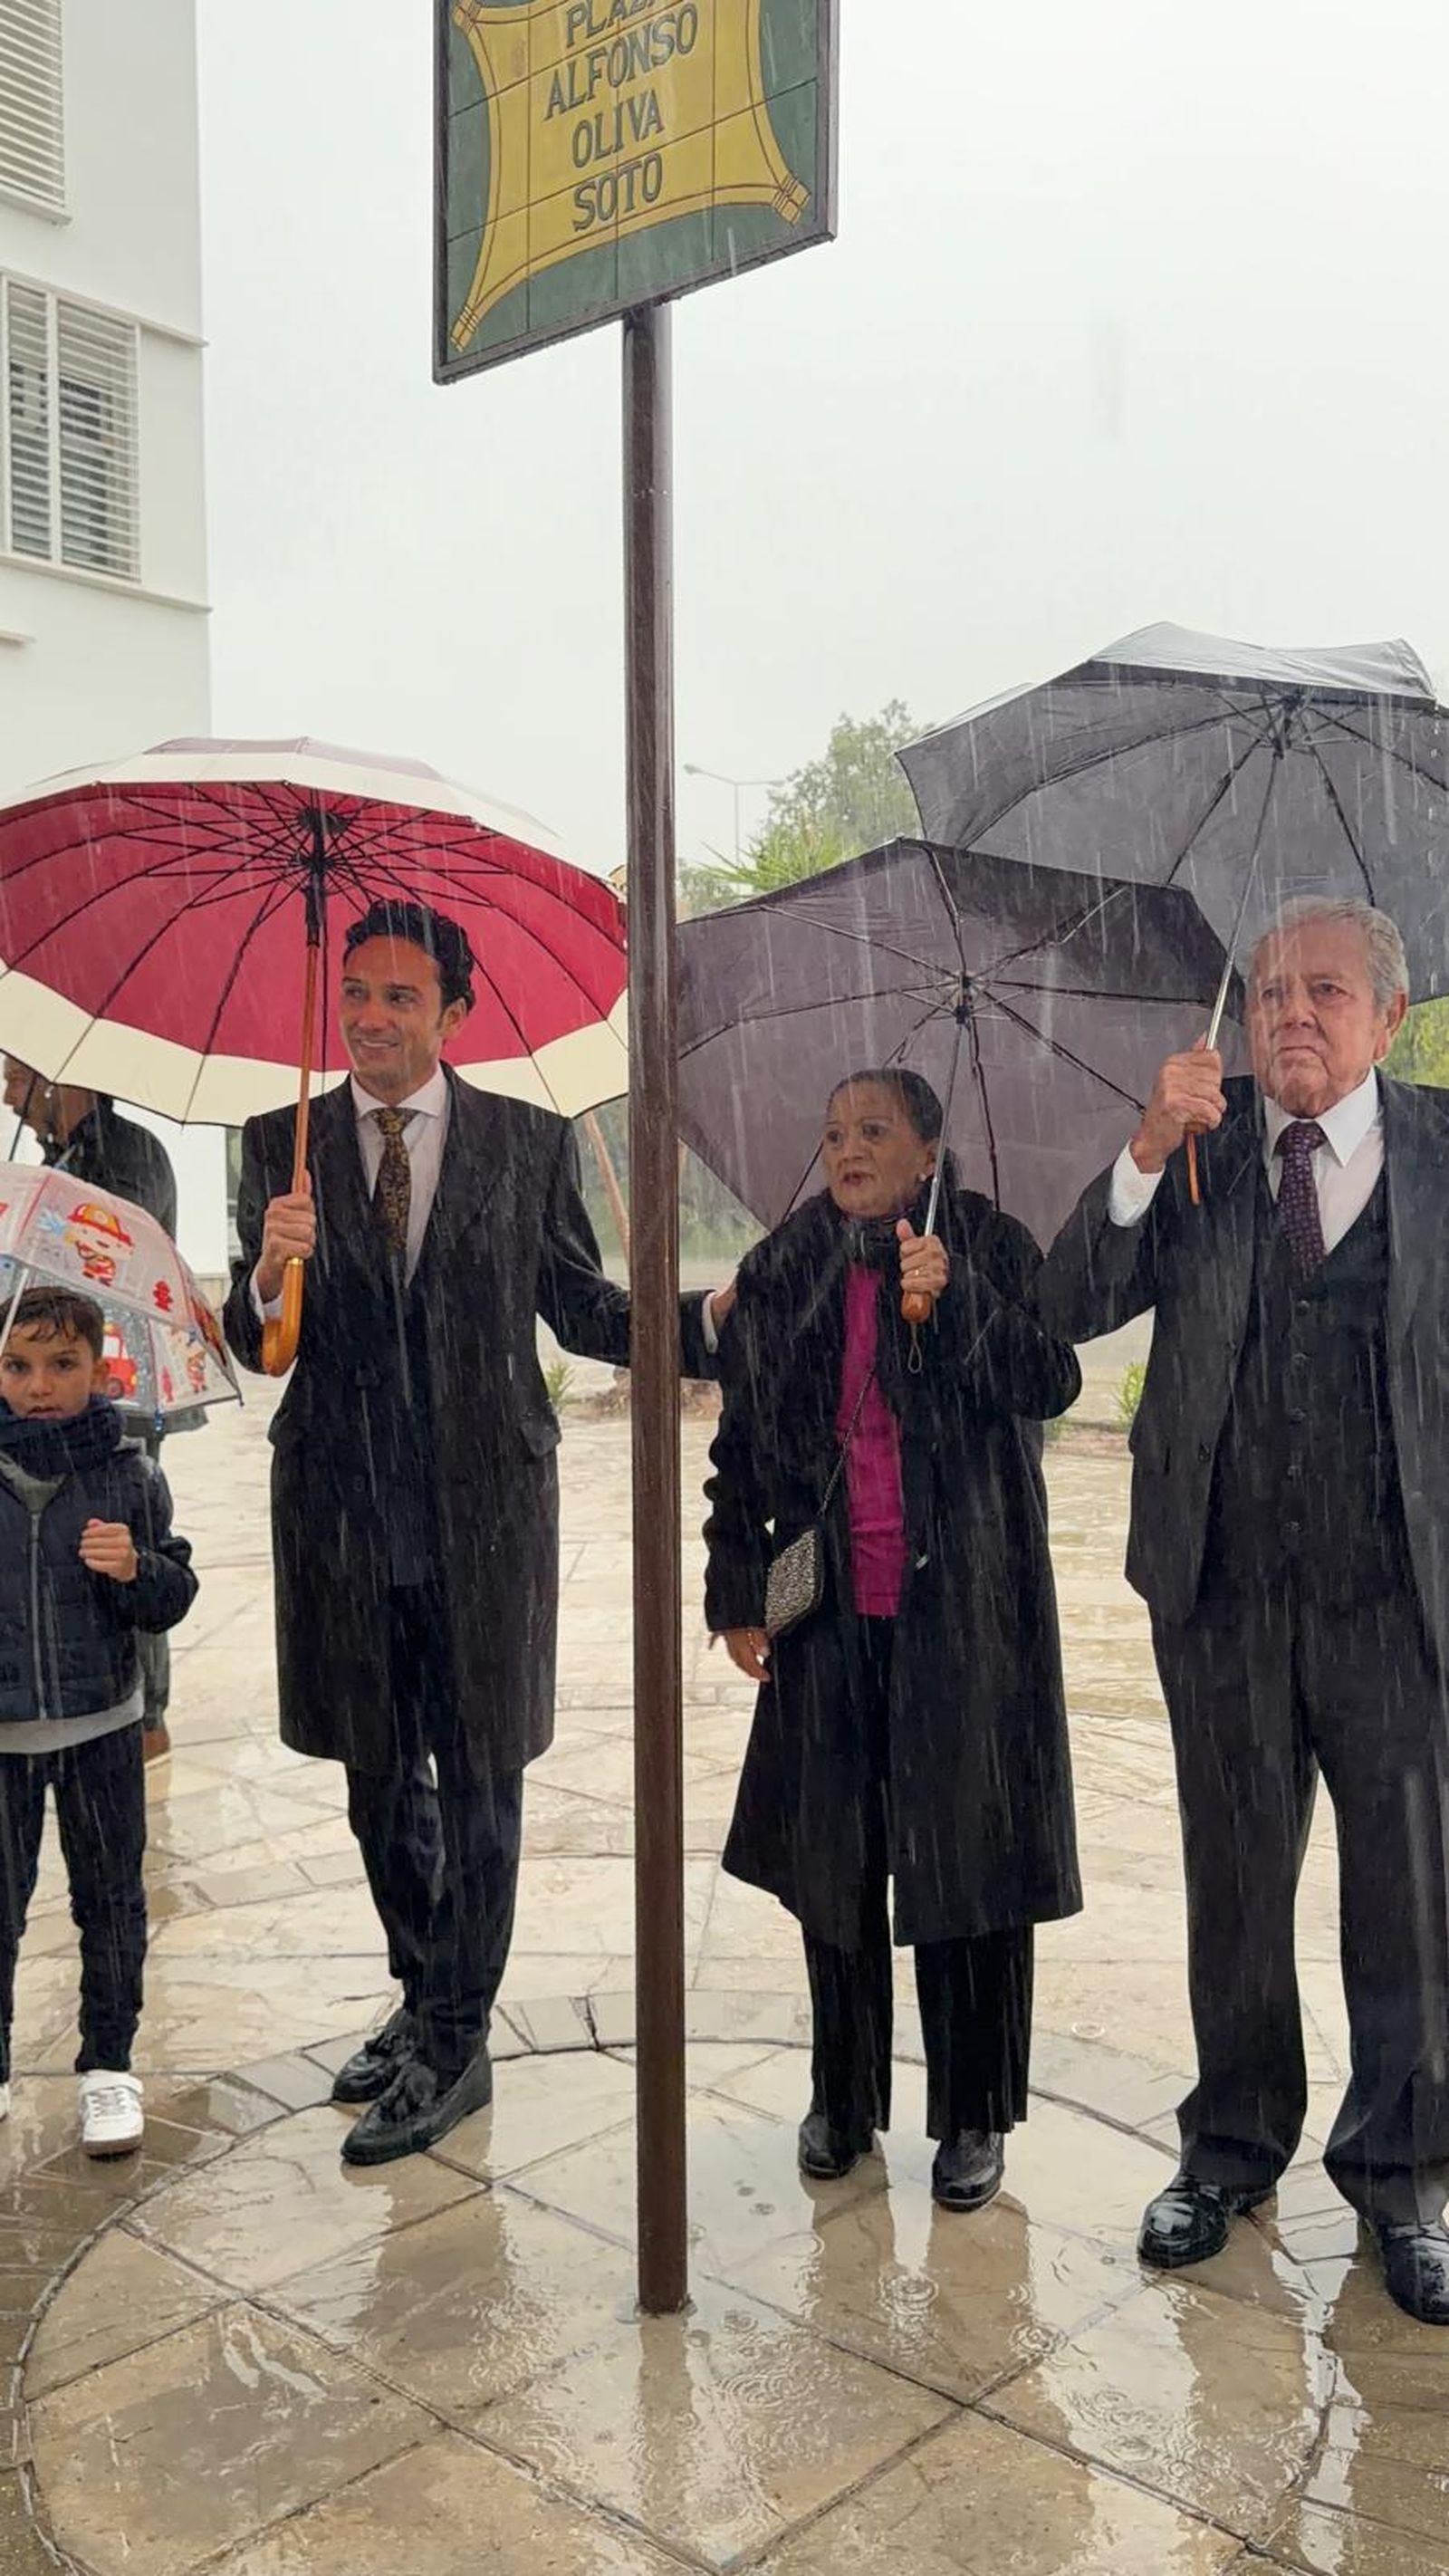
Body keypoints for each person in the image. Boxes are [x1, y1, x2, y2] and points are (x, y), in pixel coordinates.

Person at [223, 899, 724, 2167]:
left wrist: (709, 1318)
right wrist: (269, 1272)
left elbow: (578, 1307)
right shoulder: (276, 1145)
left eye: (401, 996)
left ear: (456, 1012)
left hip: (486, 1511)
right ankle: (421, 1990)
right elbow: (257, 1345)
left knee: (482, 1776)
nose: (371, 1017)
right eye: (357, 992)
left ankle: (454, 2038)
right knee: (374, 1776)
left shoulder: (526, 1142)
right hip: (340, 1512)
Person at [1040, 898, 1449, 2326]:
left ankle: (1403, 2175)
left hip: (1397, 1605)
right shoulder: (1196, 1156)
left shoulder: (1445, 1151)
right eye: (1272, 990)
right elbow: (1063, 1305)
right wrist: (1144, 1153)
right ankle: (1229, 2148)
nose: (1292, 1014)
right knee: (1237, 1885)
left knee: (1407, 1900)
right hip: (1219, 1592)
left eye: (1326, 991)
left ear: (1389, 1018)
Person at [704, 1070, 1081, 2209]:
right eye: (832, 1133)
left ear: (927, 1150)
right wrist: (738, 1593)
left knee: (968, 1869)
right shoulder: (783, 1268)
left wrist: (955, 1294)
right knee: (835, 1866)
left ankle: (973, 2112)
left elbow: (1050, 1380)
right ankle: (841, 2095)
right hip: (828, 1617)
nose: (846, 1150)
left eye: (873, 1131)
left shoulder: (988, 1243)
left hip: (965, 1619)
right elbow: (740, 1447)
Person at [0, 1287, 197, 2154]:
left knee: (111, 1903)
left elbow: (172, 1597)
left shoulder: (127, 1471)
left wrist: (136, 1567)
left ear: (97, 1366)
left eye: (61, 1365)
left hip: (103, 1727)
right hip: (2, 1737)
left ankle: (109, 2069)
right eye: (16, 1365)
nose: (39, 1385)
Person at [3, 1060, 182, 1763]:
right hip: (53, 1385)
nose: (9, 1096)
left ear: (59, 1081)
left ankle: (143, 1716)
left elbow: (105, 1263)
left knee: (121, 1546)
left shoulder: (127, 1155)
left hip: (113, 1389)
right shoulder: (61, 1159)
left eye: (18, 1080)